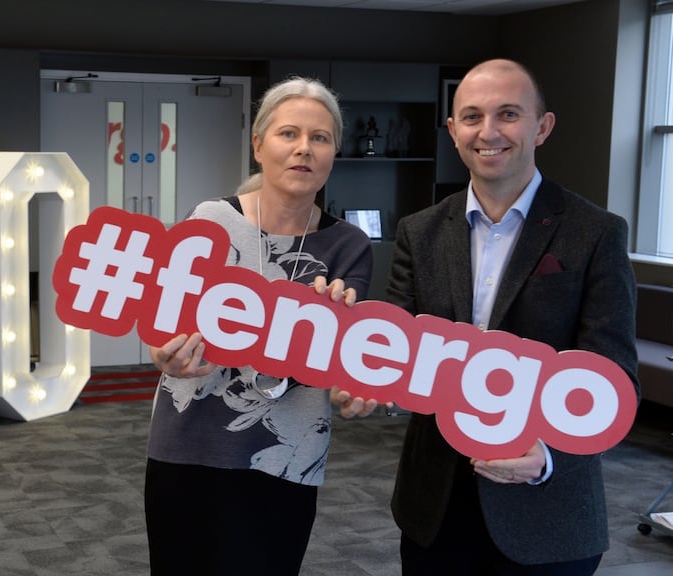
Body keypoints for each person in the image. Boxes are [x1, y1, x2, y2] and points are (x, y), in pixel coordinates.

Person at [386, 58, 639, 575]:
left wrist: (549, 454)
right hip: (435, 508)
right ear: (454, 131)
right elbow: (394, 344)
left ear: (541, 127)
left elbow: (613, 379)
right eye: (473, 116)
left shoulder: (596, 233)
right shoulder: (419, 231)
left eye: (508, 114)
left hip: (548, 513)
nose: (489, 132)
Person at [143, 76, 383, 576]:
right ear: (258, 145)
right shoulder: (209, 220)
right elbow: (163, 324)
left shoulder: (348, 245)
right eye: (288, 134)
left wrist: (345, 368)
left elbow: (342, 361)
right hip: (188, 446)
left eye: (319, 138)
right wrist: (162, 353)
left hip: (285, 455)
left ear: (335, 151)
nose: (304, 149)